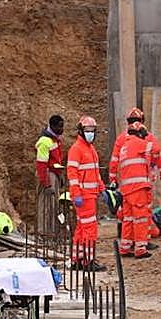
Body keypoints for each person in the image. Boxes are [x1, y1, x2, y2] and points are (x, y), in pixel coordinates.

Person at [67, 115, 105, 270]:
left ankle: (77, 258)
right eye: (88, 130)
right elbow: (72, 173)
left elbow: (95, 173)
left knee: (82, 228)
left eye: (93, 130)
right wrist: (76, 194)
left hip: (90, 194)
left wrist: (102, 188)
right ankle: (89, 261)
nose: (91, 133)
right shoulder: (76, 149)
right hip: (83, 195)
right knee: (90, 228)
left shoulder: (91, 150)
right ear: (81, 131)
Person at [116, 122, 156, 258]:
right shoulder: (140, 143)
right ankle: (140, 248)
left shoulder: (124, 147)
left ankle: (125, 247)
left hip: (126, 189)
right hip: (138, 188)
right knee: (140, 218)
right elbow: (155, 148)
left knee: (128, 218)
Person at [34, 115, 66, 234]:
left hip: (54, 174)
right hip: (47, 175)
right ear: (52, 126)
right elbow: (41, 164)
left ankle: (52, 231)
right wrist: (46, 184)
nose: (61, 129)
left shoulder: (55, 139)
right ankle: (43, 232)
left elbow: (56, 160)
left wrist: (60, 176)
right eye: (59, 127)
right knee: (46, 204)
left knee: (54, 205)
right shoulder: (45, 141)